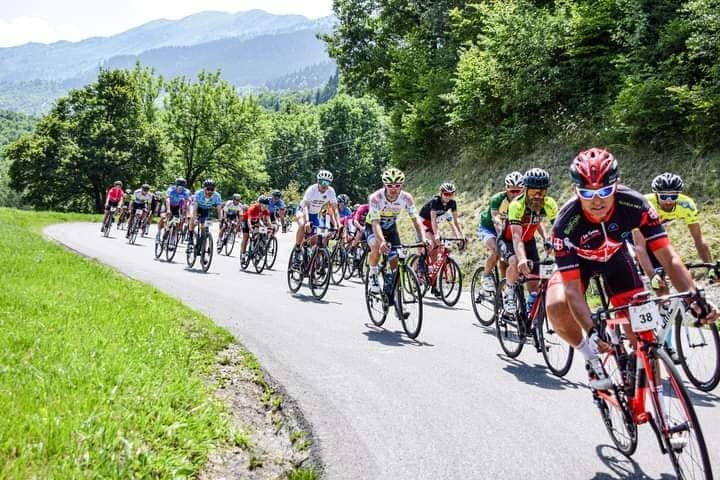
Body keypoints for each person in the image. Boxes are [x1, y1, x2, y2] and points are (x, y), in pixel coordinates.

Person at [545, 148, 717, 390]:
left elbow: (668, 258)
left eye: (604, 191)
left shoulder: (635, 204)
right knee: (556, 305)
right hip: (580, 263)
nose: (597, 201)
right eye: (587, 193)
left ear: (617, 184)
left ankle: (654, 402)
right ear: (575, 190)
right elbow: (572, 290)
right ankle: (591, 359)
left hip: (617, 259)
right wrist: (592, 333)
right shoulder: (566, 223)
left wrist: (693, 295)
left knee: (643, 335)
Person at [633, 172, 714, 294]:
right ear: (656, 195)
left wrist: (710, 267)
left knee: (668, 269)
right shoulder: (645, 205)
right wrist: (652, 275)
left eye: (673, 197)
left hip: (652, 230)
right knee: (658, 281)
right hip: (633, 231)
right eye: (664, 197)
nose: (669, 201)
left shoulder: (687, 205)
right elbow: (640, 246)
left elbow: (698, 239)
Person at [499, 168, 557, 315]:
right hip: (508, 241)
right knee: (514, 262)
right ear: (525, 189)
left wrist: (548, 240)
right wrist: (522, 259)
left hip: (529, 242)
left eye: (542, 192)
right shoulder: (516, 205)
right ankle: (509, 292)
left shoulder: (549, 203)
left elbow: (559, 228)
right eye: (533, 192)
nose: (537, 196)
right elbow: (516, 236)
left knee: (534, 281)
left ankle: (531, 314)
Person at [366, 168, 425, 294]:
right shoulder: (376, 198)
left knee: (395, 261)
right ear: (384, 185)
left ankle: (396, 294)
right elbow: (376, 224)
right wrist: (382, 242)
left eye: (397, 186)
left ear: (401, 186)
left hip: (391, 228)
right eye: (390, 186)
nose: (393, 189)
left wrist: (423, 239)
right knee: (376, 246)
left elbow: (416, 220)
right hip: (373, 226)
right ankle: (373, 275)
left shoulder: (406, 198)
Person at [476, 172, 525, 291]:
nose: (515, 194)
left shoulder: (524, 201)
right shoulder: (497, 199)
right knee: (497, 250)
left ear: (523, 190)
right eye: (512, 191)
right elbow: (496, 221)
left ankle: (505, 289)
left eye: (518, 191)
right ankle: (486, 275)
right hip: (489, 228)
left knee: (507, 261)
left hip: (507, 230)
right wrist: (502, 240)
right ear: (506, 189)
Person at [418, 182, 466, 269]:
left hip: (434, 223)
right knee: (432, 242)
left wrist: (460, 236)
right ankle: (420, 262)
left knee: (438, 246)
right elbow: (433, 219)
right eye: (446, 194)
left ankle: (431, 269)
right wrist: (436, 235)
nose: (448, 196)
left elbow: (455, 222)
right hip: (423, 221)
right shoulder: (435, 201)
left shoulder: (452, 203)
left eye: (451, 194)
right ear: (441, 193)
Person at [294, 170, 339, 252]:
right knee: (302, 225)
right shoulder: (312, 190)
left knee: (314, 241)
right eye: (322, 182)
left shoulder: (331, 192)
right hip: (302, 211)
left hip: (315, 214)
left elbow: (334, 209)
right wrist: (307, 221)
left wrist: (338, 224)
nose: (324, 185)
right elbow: (306, 207)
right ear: (318, 181)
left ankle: (308, 258)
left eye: (327, 183)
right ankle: (297, 248)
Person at [188, 179, 223, 248]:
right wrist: (194, 218)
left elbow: (219, 209)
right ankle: (190, 238)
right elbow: (195, 208)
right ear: (204, 188)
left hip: (206, 209)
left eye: (212, 189)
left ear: (214, 189)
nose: (209, 191)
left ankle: (202, 242)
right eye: (208, 189)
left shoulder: (217, 196)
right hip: (197, 208)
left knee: (204, 226)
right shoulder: (198, 194)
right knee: (192, 221)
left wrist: (221, 219)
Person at [240, 195, 272, 263]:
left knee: (260, 232)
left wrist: (270, 227)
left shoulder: (266, 210)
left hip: (255, 220)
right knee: (246, 236)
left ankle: (256, 247)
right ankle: (243, 255)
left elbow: (268, 220)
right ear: (260, 204)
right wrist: (251, 228)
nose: (265, 207)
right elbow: (249, 221)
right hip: (246, 220)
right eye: (264, 205)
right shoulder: (253, 208)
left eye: (266, 205)